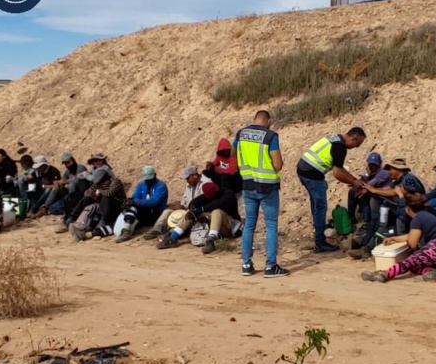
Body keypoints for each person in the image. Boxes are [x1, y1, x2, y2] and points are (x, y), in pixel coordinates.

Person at [234, 110, 288, 277]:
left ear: (254, 119)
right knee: (271, 226)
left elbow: (233, 154)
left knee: (249, 225)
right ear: (269, 120)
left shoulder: (241, 133)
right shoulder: (270, 136)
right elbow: (278, 165)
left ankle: (246, 263)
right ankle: (271, 266)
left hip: (248, 185)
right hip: (267, 187)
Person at [360, 192, 436, 283]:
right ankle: (434, 271)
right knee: (414, 265)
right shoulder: (425, 215)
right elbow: (412, 235)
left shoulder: (417, 218)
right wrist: (394, 238)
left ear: (407, 208)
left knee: (411, 260)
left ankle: (386, 273)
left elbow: (412, 243)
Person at [297, 127, 367, 253]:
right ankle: (320, 242)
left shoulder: (335, 139)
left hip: (304, 169)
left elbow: (339, 168)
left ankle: (318, 235)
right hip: (312, 173)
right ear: (353, 139)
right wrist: (353, 182)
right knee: (320, 207)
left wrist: (354, 179)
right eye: (357, 144)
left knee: (316, 206)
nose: (356, 147)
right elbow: (337, 173)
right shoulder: (340, 147)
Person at [353, 158, 426, 257]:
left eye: (390, 169)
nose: (388, 172)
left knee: (392, 229)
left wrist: (374, 191)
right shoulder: (396, 181)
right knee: (381, 226)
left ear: (398, 169)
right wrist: (370, 189)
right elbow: (388, 188)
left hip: (410, 212)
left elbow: (393, 192)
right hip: (400, 209)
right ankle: (367, 247)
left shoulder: (408, 179)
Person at [157, 182, 241, 253]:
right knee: (190, 214)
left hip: (228, 225)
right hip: (214, 225)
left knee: (216, 211)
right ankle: (172, 238)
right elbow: (195, 201)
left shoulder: (228, 194)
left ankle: (211, 240)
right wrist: (193, 209)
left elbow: (217, 204)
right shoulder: (207, 196)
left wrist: (201, 209)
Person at [134, 165, 207, 242]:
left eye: (188, 178)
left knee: (183, 218)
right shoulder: (188, 185)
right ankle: (157, 230)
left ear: (195, 176)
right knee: (167, 211)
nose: (187, 180)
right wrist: (180, 206)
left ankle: (171, 235)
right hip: (187, 208)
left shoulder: (204, 184)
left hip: (196, 210)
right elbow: (184, 200)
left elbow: (202, 201)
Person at [68, 167, 127, 241]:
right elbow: (86, 192)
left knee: (106, 198)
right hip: (104, 207)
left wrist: (99, 192)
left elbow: (110, 193)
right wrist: (93, 193)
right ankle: (74, 219)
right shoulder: (98, 184)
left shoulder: (115, 182)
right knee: (87, 199)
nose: (99, 183)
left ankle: (102, 222)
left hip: (118, 208)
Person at [121, 165, 169, 235]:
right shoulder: (141, 184)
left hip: (156, 213)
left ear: (155, 175)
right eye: (147, 180)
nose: (148, 182)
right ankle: (126, 230)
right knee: (131, 207)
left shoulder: (161, 186)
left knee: (134, 204)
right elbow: (135, 196)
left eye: (150, 179)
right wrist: (129, 201)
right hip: (144, 212)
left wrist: (135, 201)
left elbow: (153, 202)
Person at [347, 152, 389, 227]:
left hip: (383, 195)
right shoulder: (371, 172)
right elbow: (362, 180)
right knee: (353, 191)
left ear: (379, 164)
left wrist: (361, 185)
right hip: (373, 192)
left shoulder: (382, 172)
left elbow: (369, 184)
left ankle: (367, 221)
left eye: (374, 165)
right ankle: (351, 216)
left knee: (363, 195)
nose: (372, 167)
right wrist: (367, 174)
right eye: (370, 164)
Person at [59, 152, 90, 230]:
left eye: (69, 162)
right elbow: (63, 180)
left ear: (73, 160)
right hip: (72, 191)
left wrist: (66, 182)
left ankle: (70, 216)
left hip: (82, 192)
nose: (68, 165)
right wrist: (63, 183)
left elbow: (78, 179)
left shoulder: (80, 168)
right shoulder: (67, 171)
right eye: (65, 163)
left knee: (72, 187)